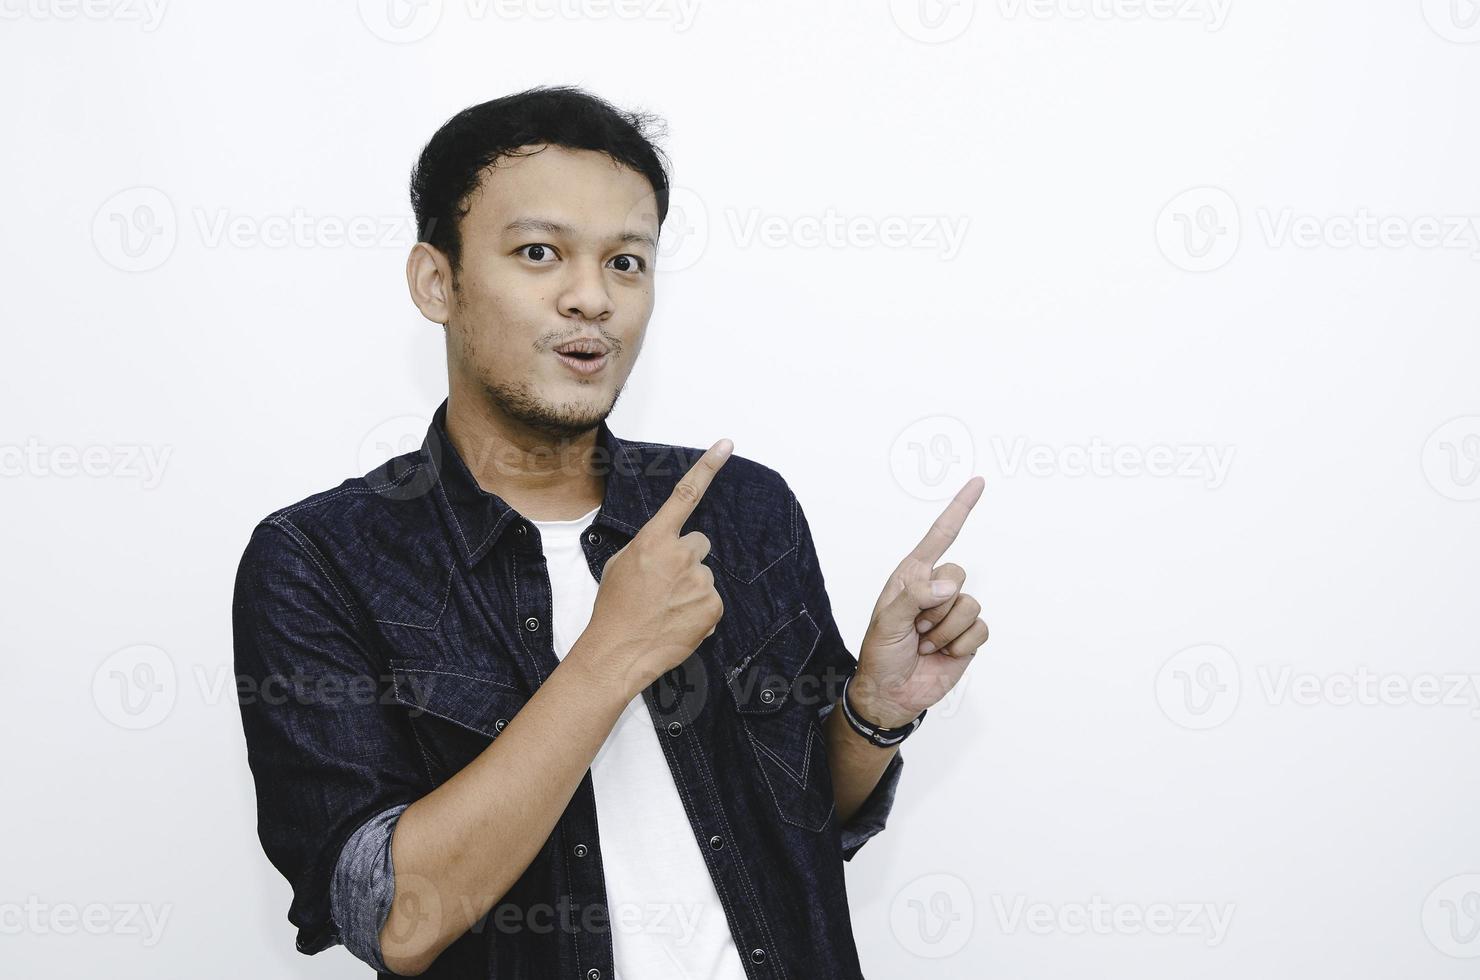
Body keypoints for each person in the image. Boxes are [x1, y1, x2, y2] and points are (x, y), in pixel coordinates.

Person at [231, 84, 988, 979]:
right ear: (438, 282)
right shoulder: (321, 560)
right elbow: (394, 919)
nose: (592, 299)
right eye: (540, 252)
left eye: (627, 262)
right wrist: (610, 652)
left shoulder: (741, 509)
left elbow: (807, 824)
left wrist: (876, 712)